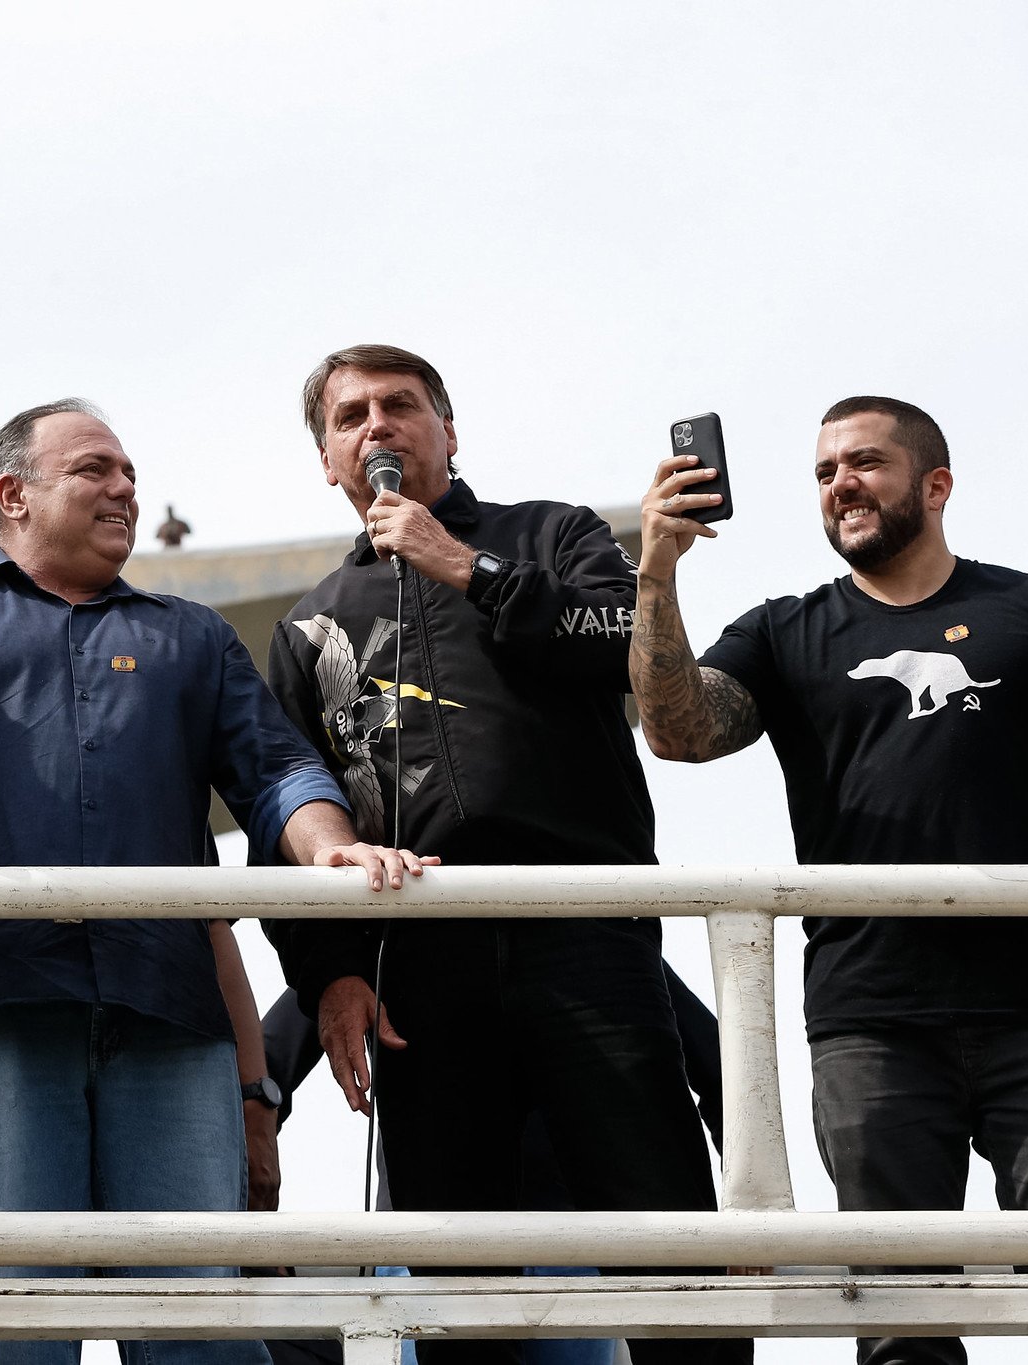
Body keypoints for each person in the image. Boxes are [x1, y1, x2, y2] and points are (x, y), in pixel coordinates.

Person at [0, 396, 424, 1365]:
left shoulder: (192, 639)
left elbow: (277, 771)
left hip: (167, 1026)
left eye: (129, 471)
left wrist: (325, 846)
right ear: (13, 495)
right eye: (95, 469)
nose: (125, 486)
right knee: (12, 1327)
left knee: (201, 1326)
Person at [265, 344, 746, 1365]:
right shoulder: (310, 622)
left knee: (664, 1247)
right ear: (325, 457)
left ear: (447, 432)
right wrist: (327, 975)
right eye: (349, 416)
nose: (377, 428)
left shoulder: (553, 533)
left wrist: (461, 564)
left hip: (581, 935)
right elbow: (290, 807)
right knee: (452, 1281)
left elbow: (624, 636)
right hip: (417, 962)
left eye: (401, 407)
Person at [631, 394, 1028, 1365]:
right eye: (825, 471)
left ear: (934, 483)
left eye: (863, 462)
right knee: (899, 1330)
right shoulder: (785, 631)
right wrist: (656, 570)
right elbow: (678, 733)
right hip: (871, 1017)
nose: (840, 484)